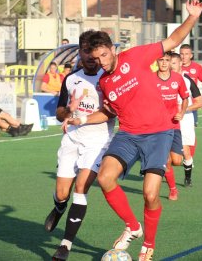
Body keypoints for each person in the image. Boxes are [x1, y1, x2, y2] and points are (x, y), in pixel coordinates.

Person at [67, 0, 202, 261]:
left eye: (104, 55)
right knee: (106, 178)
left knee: (150, 193)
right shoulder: (104, 82)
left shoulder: (137, 55)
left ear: (112, 49)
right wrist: (81, 119)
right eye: (96, 58)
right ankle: (133, 227)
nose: (101, 62)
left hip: (158, 133)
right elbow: (108, 112)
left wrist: (193, 17)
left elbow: (173, 40)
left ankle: (148, 244)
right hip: (128, 133)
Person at [44, 31, 115, 261]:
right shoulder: (71, 79)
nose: (92, 57)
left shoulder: (107, 79)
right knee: (62, 193)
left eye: (95, 52)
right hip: (72, 138)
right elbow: (59, 113)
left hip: (98, 141)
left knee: (81, 189)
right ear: (81, 53)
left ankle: (65, 245)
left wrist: (84, 117)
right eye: (86, 51)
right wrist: (70, 109)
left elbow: (110, 112)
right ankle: (58, 208)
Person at [154, 51, 189, 201]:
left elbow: (185, 98)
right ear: (156, 61)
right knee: (166, 160)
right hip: (156, 126)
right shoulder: (150, 78)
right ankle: (173, 190)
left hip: (174, 124)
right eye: (161, 60)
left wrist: (181, 112)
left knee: (176, 160)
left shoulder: (177, 78)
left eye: (166, 60)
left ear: (170, 62)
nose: (163, 63)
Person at [171, 52, 202, 187]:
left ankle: (187, 177)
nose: (170, 66)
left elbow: (199, 102)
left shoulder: (187, 80)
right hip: (166, 120)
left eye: (173, 63)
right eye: (168, 62)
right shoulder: (161, 79)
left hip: (184, 120)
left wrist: (183, 110)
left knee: (184, 154)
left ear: (180, 63)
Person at [180, 44, 202, 127]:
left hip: (192, 104)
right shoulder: (175, 66)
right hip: (179, 103)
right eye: (182, 54)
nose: (184, 57)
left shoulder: (197, 67)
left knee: (192, 129)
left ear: (191, 55)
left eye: (186, 54)